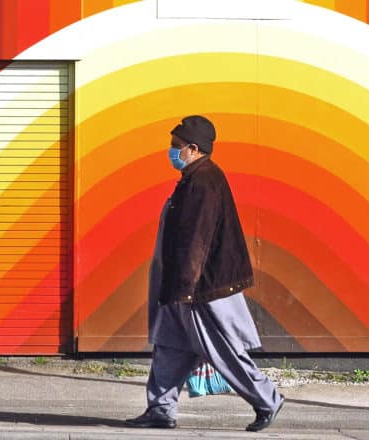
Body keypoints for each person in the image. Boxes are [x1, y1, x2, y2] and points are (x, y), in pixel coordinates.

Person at [125, 115, 285, 432]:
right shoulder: (194, 178)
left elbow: (196, 239)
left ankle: (267, 399)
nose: (171, 151)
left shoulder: (203, 182)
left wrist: (184, 288)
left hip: (199, 287)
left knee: (221, 348)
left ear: (193, 148)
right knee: (170, 345)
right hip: (180, 285)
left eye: (176, 146)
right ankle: (160, 409)